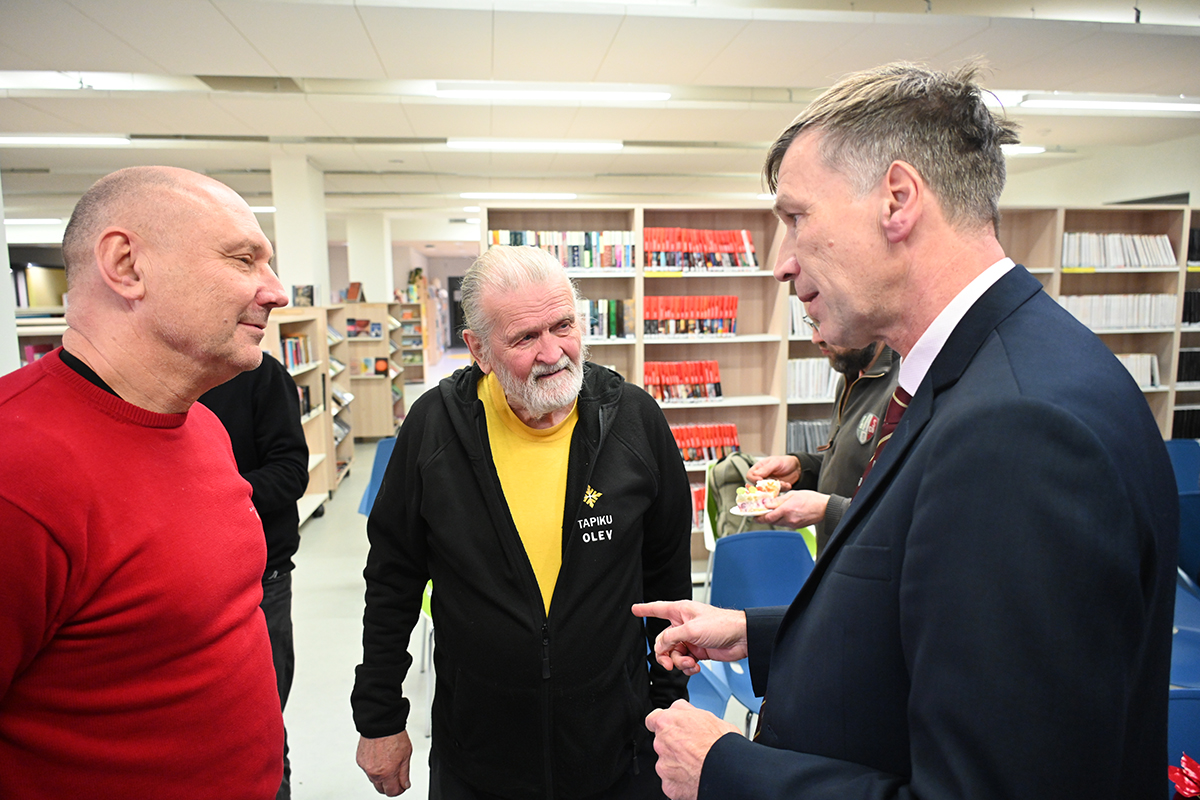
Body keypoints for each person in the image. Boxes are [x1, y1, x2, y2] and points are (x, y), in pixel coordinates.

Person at [634, 62, 1178, 800]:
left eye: (797, 218)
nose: (781, 264)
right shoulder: (983, 375)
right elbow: (938, 616)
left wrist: (726, 771)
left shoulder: (1018, 429)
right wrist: (760, 635)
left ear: (897, 200)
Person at [352, 244, 693, 798]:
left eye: (563, 325)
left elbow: (668, 581)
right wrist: (379, 717)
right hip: (477, 756)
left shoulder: (634, 420)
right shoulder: (434, 429)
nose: (552, 352)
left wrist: (669, 709)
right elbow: (392, 579)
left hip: (618, 750)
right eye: (525, 337)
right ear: (479, 350)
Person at [0, 165, 290, 798]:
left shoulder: (203, 426)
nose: (277, 292)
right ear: (126, 266)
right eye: (243, 260)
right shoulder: (15, 473)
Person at [200, 352, 310, 800]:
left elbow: (290, 473)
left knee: (260, 730)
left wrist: (206, 495)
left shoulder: (260, 375)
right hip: (172, 585)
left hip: (260, 581)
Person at [749, 322, 898, 555]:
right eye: (811, 323)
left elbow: (896, 509)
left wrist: (827, 509)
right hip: (834, 558)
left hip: (867, 561)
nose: (815, 338)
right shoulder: (851, 376)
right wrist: (802, 468)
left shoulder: (903, 389)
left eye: (822, 322)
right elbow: (855, 468)